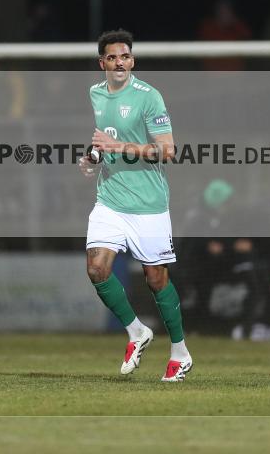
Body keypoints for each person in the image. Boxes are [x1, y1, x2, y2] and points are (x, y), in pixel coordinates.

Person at [78, 28, 192, 382]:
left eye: (125, 56)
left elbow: (168, 150)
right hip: (110, 199)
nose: (119, 62)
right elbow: (105, 140)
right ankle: (136, 331)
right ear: (102, 63)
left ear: (133, 61)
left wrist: (118, 148)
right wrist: (92, 159)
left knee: (156, 279)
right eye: (112, 57)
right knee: (97, 269)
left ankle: (180, 352)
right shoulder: (96, 93)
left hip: (148, 203)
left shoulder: (149, 96)